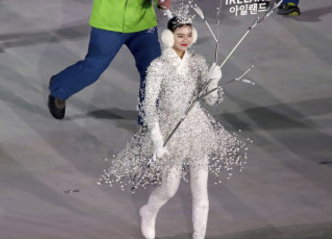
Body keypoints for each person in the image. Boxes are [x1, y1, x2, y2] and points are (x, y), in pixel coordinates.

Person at [100, 16, 248, 239]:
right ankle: (148, 212)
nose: (186, 39)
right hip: (169, 128)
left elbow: (210, 100)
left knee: (201, 189)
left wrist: (213, 82)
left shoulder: (198, 61)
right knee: (170, 187)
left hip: (196, 128)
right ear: (170, 37)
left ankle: (199, 236)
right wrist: (157, 137)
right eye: (181, 36)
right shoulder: (158, 66)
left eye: (189, 35)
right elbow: (148, 104)